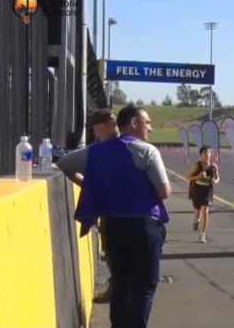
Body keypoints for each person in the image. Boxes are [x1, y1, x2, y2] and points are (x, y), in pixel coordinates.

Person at [56, 104, 171, 328]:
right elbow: (164, 192)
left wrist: (92, 186)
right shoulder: (147, 151)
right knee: (144, 286)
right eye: (147, 123)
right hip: (144, 226)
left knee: (120, 282)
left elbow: (63, 163)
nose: (151, 128)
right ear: (134, 123)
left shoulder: (97, 151)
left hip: (114, 226)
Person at [87, 108, 120, 302]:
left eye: (97, 127)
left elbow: (67, 163)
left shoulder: (107, 147)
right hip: (120, 208)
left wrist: (88, 184)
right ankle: (117, 287)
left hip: (113, 210)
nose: (96, 131)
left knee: (112, 252)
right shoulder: (121, 143)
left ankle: (116, 289)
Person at [186, 145, 219, 243]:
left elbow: (217, 177)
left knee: (205, 210)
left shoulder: (213, 166)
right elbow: (187, 177)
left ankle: (202, 234)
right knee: (197, 211)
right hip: (197, 191)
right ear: (200, 155)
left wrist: (215, 181)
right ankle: (197, 220)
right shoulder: (197, 166)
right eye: (204, 152)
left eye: (208, 152)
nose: (207, 154)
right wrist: (198, 176)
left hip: (208, 191)